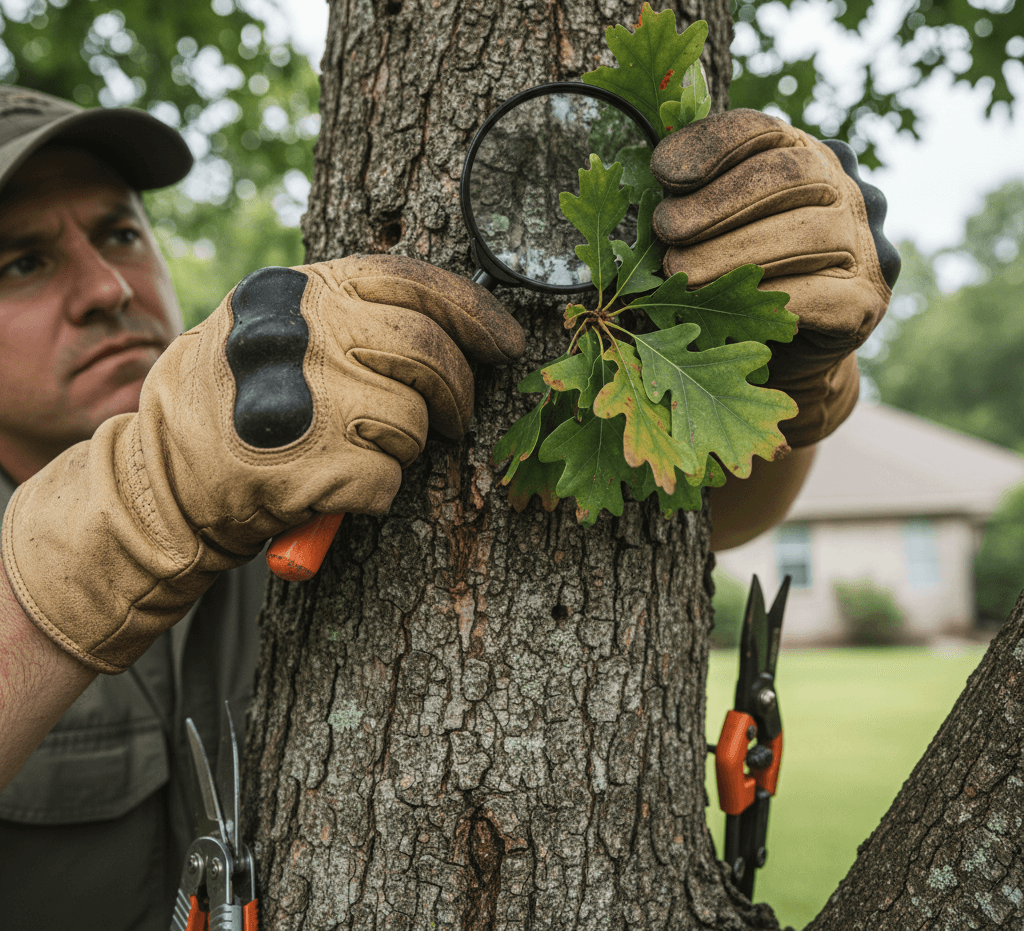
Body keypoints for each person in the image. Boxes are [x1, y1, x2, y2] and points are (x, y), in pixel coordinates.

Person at [0, 84, 896, 926]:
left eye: (119, 234)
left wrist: (794, 375)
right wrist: (144, 499)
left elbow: (713, 517)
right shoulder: (208, 459)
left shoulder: (273, 442)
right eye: (23, 263)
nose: (107, 290)